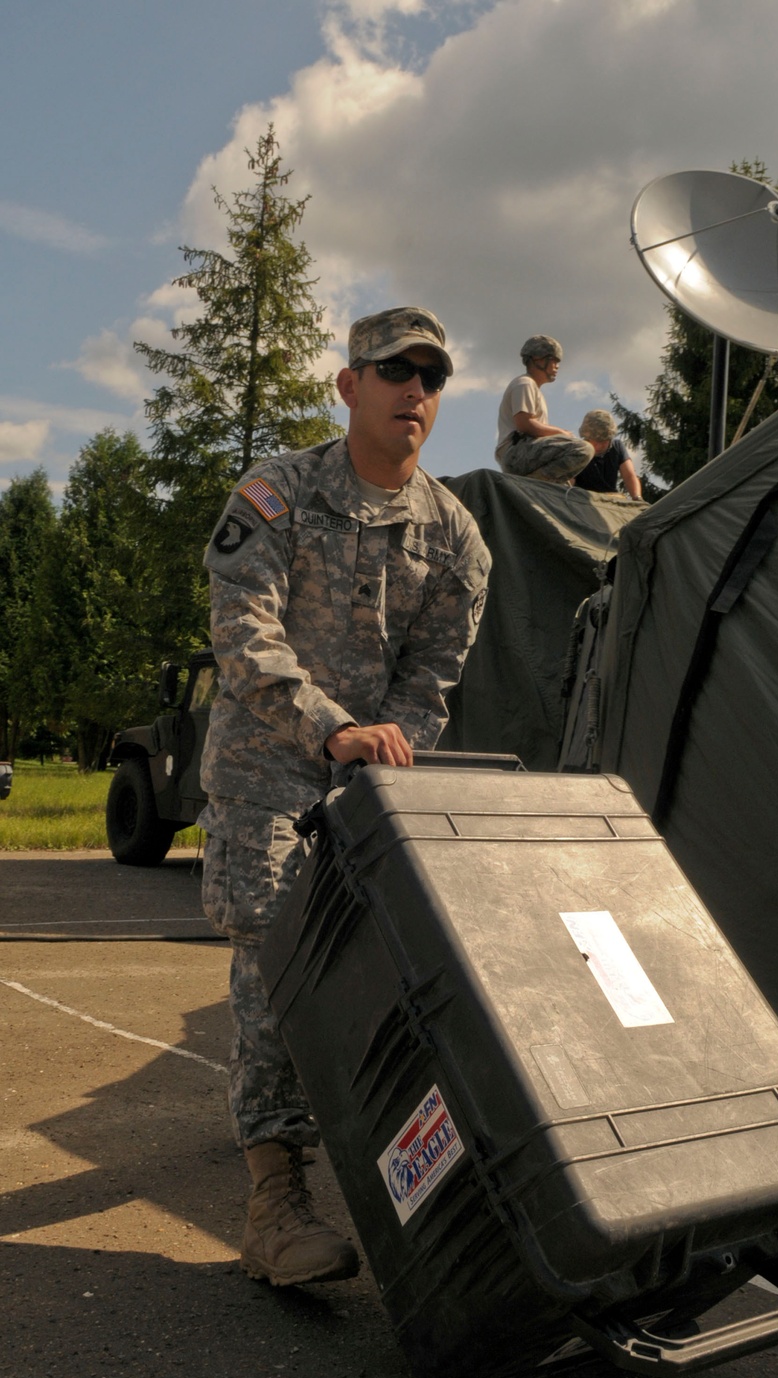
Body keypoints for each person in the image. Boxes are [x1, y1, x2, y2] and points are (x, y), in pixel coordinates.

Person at [199, 306, 491, 1288]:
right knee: (276, 950)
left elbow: (431, 679)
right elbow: (244, 637)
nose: (416, 390)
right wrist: (330, 728)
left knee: (382, 974)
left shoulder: (455, 539)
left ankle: (392, 1169)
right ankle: (274, 1203)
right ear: (348, 385)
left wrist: (385, 753)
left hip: (367, 789)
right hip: (265, 769)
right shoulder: (277, 494)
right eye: (395, 370)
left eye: (432, 376)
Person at [494, 335, 594, 483]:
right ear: (537, 359)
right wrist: (561, 433)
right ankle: (535, 484)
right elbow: (524, 424)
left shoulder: (533, 388)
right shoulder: (525, 384)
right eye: (553, 360)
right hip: (516, 452)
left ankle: (542, 485)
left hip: (524, 452)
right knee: (584, 449)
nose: (557, 366)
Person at [572, 410, 643, 500]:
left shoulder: (616, 447)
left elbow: (629, 475)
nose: (598, 446)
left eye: (602, 442)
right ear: (586, 438)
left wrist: (637, 498)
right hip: (582, 500)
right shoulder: (578, 451)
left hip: (610, 501)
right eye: (594, 441)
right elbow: (569, 480)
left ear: (609, 438)